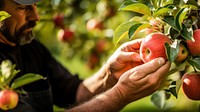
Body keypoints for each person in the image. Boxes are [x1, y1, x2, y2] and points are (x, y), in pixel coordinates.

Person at [0, 0, 171, 112]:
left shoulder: (31, 49)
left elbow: (74, 92)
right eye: (22, 8)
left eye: (35, 5)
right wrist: (120, 95)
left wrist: (109, 75)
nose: (35, 16)